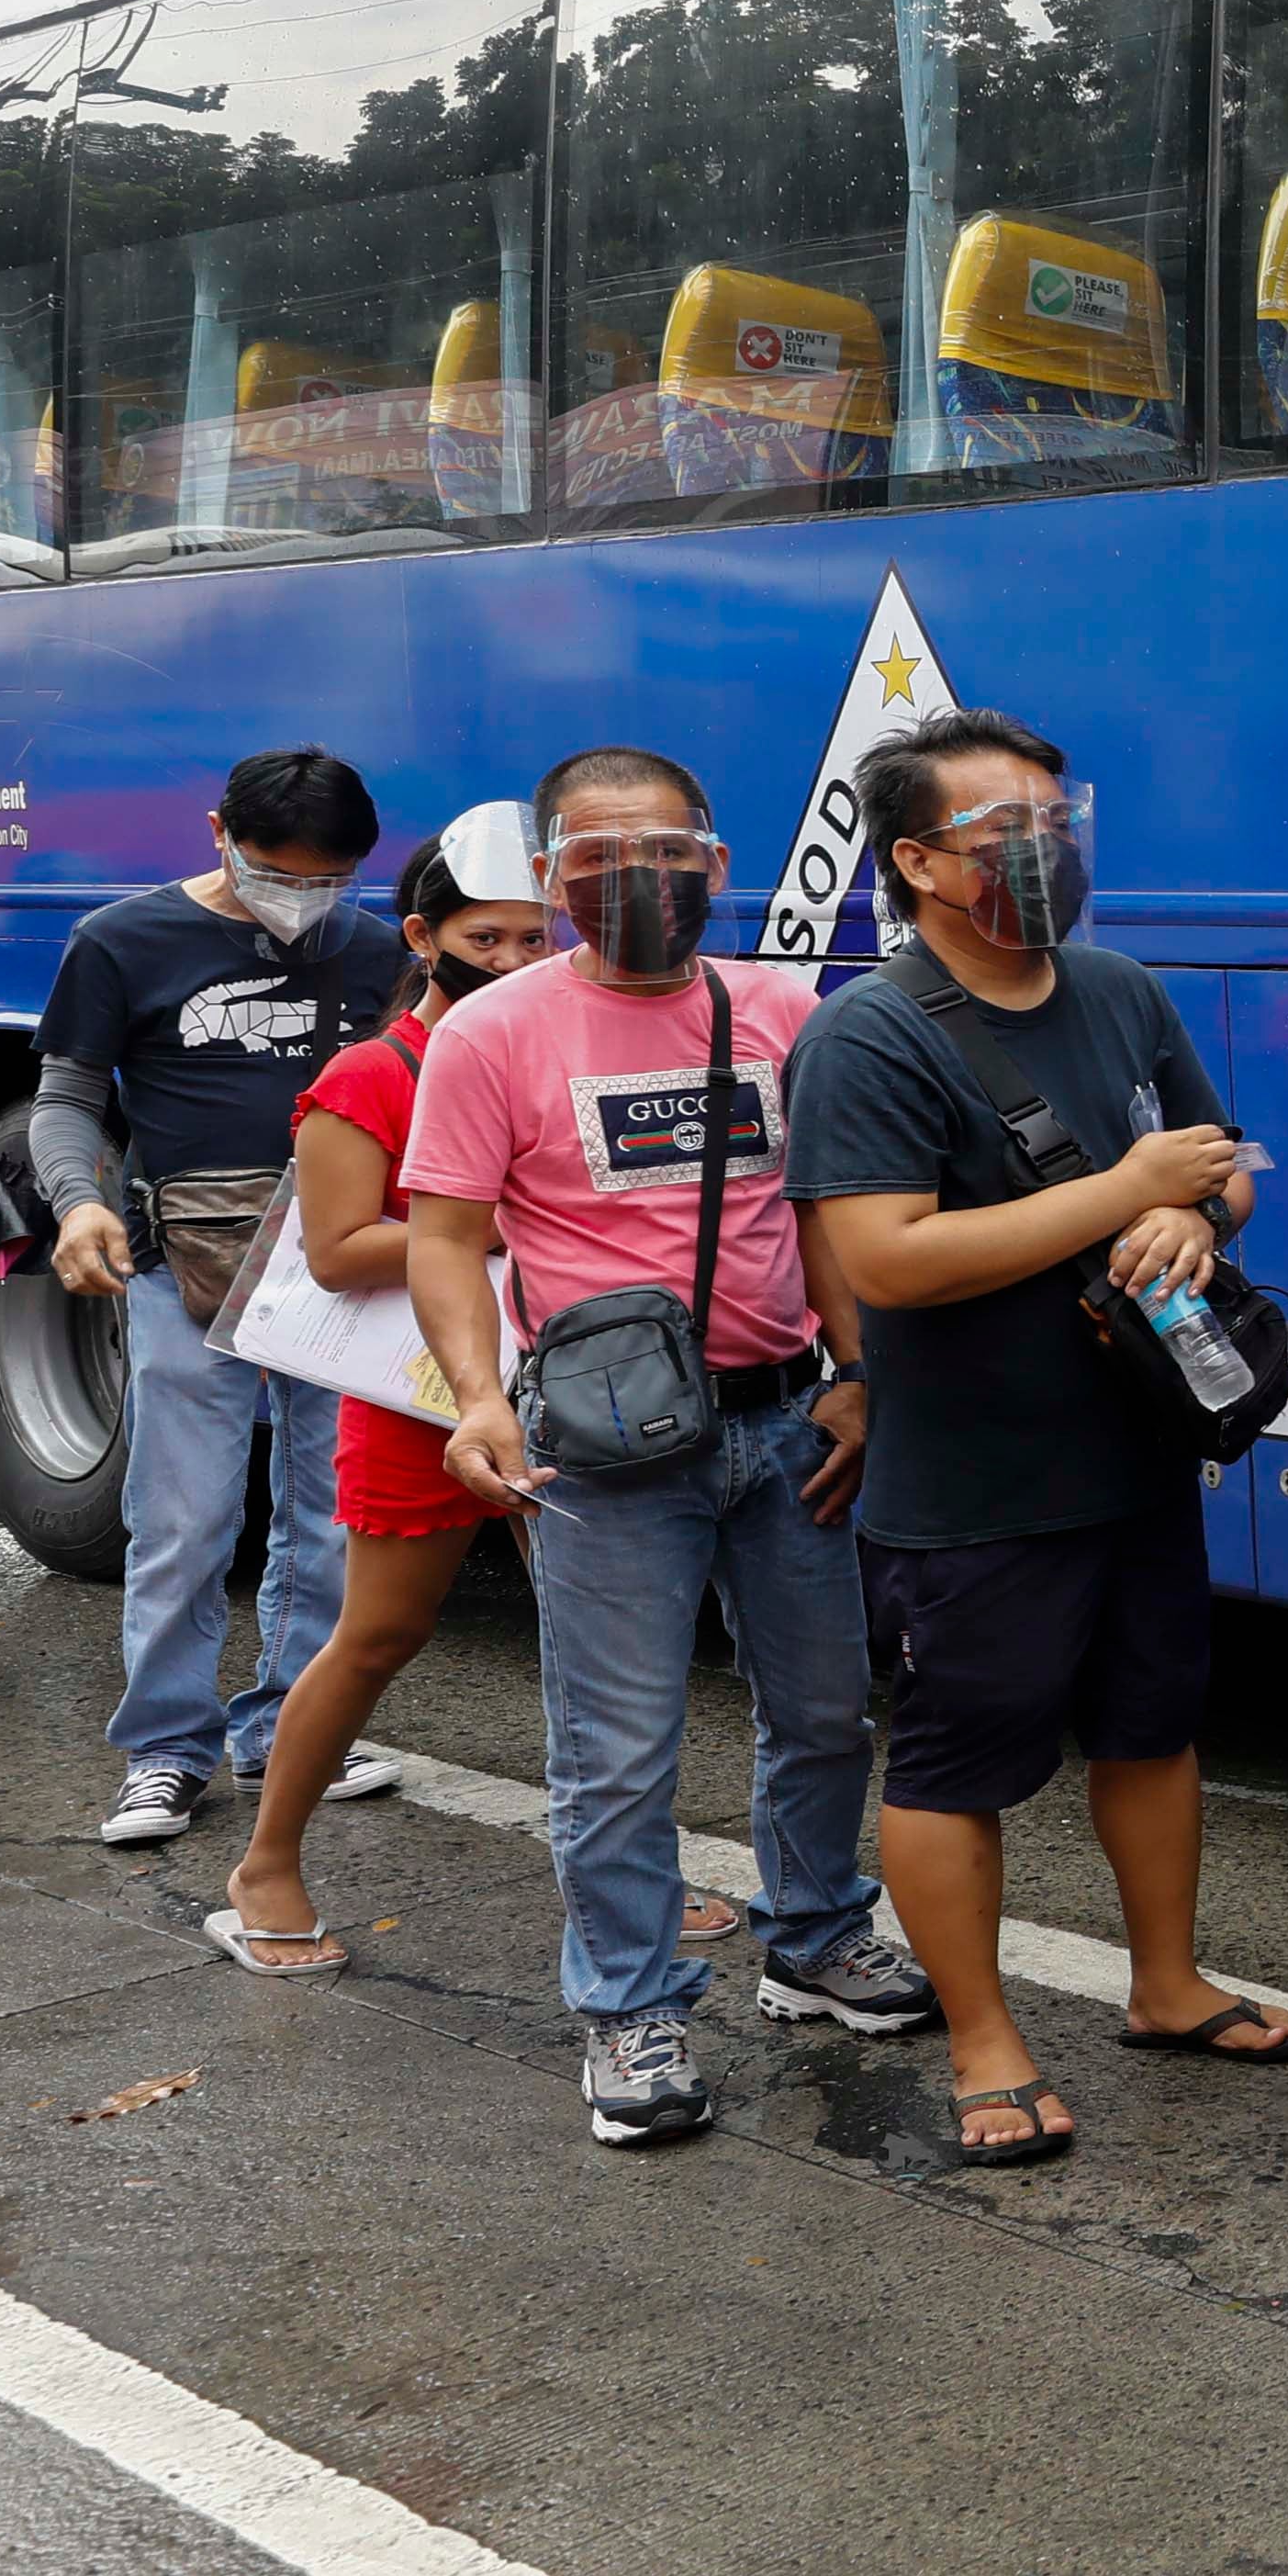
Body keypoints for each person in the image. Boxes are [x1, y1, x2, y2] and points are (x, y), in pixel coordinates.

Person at [788, 710, 1288, 2166]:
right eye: (1003, 834)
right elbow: (886, 1260)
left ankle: (1168, 1985)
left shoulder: (1122, 989)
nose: (1043, 854)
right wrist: (1120, 1194)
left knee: (1153, 1733)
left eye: (1054, 825)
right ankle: (984, 2041)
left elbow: (1228, 1173)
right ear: (914, 861)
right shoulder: (870, 1032)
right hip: (973, 1486)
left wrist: (1185, 1214)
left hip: (1139, 1454)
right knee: (956, 1765)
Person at [401, 749, 929, 2147]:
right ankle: (629, 2010)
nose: (636, 881)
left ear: (716, 862)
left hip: (784, 1420)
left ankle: (815, 1932)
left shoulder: (782, 1010)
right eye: (598, 857)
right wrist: (475, 1395)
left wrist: (861, 1377)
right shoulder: (491, 1032)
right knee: (618, 1751)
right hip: (605, 1449)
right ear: (556, 875)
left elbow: (826, 1212)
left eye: (666, 853)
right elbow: (446, 1239)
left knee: (825, 1710)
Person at [28, 748, 406, 1850]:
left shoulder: (376, 946)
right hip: (185, 1267)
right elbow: (66, 1099)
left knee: (334, 1516)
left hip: (342, 1264)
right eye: (279, 870)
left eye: (330, 877)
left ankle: (293, 1726)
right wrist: (75, 1203)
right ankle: (166, 1747)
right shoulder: (121, 940)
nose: (305, 897)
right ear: (216, 834)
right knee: (184, 1517)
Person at [208, 808, 558, 1977]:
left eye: (532, 937)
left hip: (563, 1382)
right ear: (421, 935)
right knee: (378, 1634)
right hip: (419, 1398)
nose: (514, 961)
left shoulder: (553, 1050)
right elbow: (338, 1248)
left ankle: (624, 1866)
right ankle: (266, 1863)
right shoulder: (370, 1073)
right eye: (486, 938)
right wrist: (490, 1224)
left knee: (604, 1636)